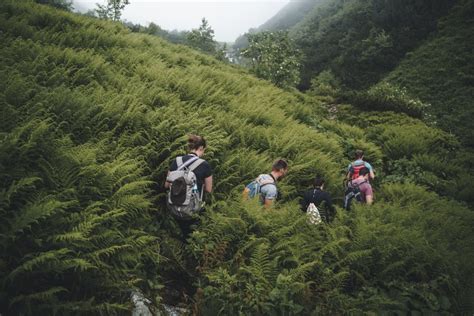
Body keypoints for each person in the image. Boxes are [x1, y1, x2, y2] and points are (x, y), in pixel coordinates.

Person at [165, 135, 212, 237]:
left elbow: (166, 185)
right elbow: (208, 189)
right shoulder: (205, 164)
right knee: (192, 235)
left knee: (183, 232)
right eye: (204, 150)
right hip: (192, 209)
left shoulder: (176, 161)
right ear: (201, 148)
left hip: (174, 206)